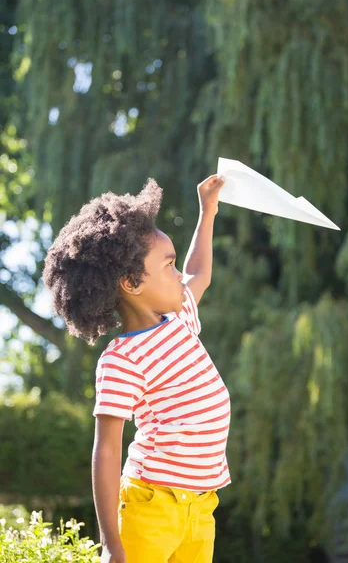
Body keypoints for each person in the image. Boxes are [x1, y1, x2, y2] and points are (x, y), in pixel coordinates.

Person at [42, 174, 231, 563]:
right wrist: (112, 542)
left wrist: (207, 211)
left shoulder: (179, 319)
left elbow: (201, 274)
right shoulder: (122, 360)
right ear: (131, 282)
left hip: (200, 506)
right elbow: (107, 451)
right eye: (169, 265)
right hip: (151, 506)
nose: (180, 275)